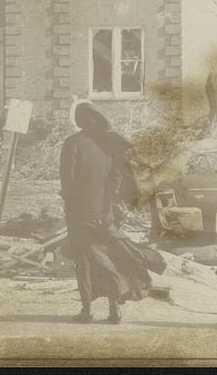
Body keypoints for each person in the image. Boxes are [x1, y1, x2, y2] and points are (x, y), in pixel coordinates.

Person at [60, 101, 165, 324]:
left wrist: (68, 200)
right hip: (106, 212)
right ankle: (114, 309)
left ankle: (87, 310)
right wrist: (112, 207)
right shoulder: (110, 145)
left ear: (79, 120)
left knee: (84, 262)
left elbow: (68, 184)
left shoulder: (72, 144)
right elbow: (118, 179)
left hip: (80, 213)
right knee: (110, 258)